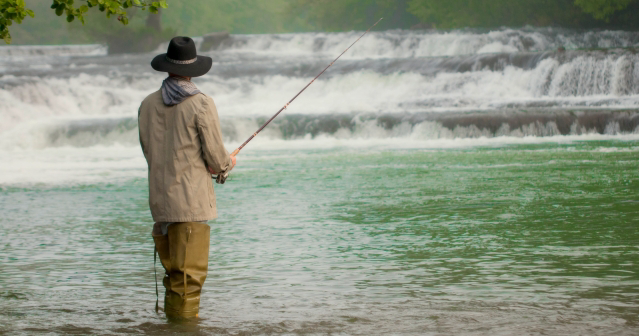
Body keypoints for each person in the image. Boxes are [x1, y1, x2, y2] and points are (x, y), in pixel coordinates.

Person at [138, 36, 236, 318]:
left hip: (160, 202)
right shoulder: (201, 103)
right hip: (190, 202)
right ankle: (183, 329)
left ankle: (172, 327)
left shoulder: (147, 104)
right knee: (187, 281)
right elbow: (217, 160)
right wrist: (228, 163)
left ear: (167, 67)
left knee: (174, 278)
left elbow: (150, 152)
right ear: (194, 70)